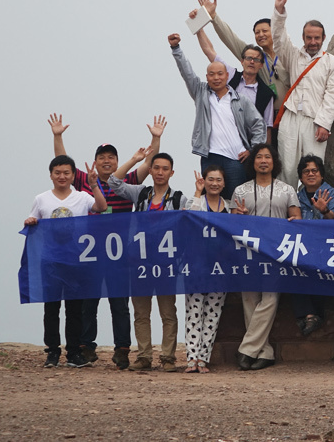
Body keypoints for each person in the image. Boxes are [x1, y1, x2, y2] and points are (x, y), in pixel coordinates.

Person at [48, 113, 166, 369]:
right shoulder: (84, 181)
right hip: (89, 253)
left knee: (119, 304)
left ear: (116, 161)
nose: (106, 160)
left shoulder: (128, 182)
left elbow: (149, 163)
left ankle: (122, 349)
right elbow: (63, 164)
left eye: (111, 157)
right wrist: (58, 136)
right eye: (102, 157)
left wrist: (155, 139)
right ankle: (86, 348)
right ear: (95, 162)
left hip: (119, 253)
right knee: (88, 302)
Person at [24, 155, 108, 369]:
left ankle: (73, 352)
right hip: (50, 261)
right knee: (51, 309)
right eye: (57, 172)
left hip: (76, 261)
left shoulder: (82, 197)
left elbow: (101, 206)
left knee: (74, 309)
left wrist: (93, 185)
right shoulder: (41, 199)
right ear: (51, 175)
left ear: (73, 176)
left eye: (66, 173)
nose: (62, 176)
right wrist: (30, 221)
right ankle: (52, 351)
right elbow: (32, 219)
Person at [107, 151, 184, 372]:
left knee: (168, 313)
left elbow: (194, 216)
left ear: (172, 172)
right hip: (139, 263)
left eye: (165, 169)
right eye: (156, 168)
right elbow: (114, 182)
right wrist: (135, 160)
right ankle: (144, 357)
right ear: (150, 171)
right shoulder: (141, 194)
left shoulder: (179, 199)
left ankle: (168, 358)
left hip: (166, 265)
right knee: (141, 313)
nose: (160, 172)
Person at [169, 32, 266, 199]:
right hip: (210, 156)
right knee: (211, 201)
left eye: (220, 74)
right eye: (212, 74)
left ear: (227, 76)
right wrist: (176, 48)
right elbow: (187, 73)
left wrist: (252, 149)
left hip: (236, 160)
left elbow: (259, 125)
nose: (216, 78)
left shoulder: (240, 99)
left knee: (236, 201)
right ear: (207, 77)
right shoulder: (201, 93)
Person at [232, 144, 301, 370]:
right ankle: (265, 352)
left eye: (267, 157)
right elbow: (232, 221)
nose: (263, 160)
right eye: (259, 157)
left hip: (276, 252)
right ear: (253, 162)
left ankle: (247, 349)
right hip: (249, 252)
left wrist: (294, 222)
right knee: (249, 301)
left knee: (270, 299)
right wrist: (238, 216)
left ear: (274, 162)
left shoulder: (287, 189)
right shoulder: (240, 190)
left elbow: (297, 217)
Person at [271, 0, 334, 187]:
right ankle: (288, 210)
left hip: (315, 120)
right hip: (291, 116)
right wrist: (279, 11)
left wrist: (324, 124)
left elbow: (332, 94)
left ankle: (314, 212)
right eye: (309, 38)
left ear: (323, 38)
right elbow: (278, 39)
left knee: (314, 169)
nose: (313, 42)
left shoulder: (331, 61)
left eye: (317, 38)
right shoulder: (293, 55)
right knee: (286, 167)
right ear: (303, 37)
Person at [197, 0, 290, 121]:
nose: (260, 34)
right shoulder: (256, 58)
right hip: (265, 116)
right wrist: (213, 17)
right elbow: (230, 39)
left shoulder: (288, 56)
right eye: (257, 32)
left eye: (264, 31)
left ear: (274, 32)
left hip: (289, 116)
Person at [188, 8, 276, 141]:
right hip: (223, 139)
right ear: (242, 61)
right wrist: (198, 26)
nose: (251, 62)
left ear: (261, 65)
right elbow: (209, 51)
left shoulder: (266, 94)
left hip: (249, 146)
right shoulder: (231, 76)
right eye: (248, 58)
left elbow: (267, 127)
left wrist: (265, 154)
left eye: (256, 59)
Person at [183, 165, 230, 374]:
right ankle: (191, 359)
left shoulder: (228, 206)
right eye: (210, 179)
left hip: (220, 268)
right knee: (194, 312)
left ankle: (203, 359)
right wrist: (197, 192)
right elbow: (188, 222)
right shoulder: (196, 202)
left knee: (213, 314)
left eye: (218, 180)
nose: (214, 183)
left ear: (224, 184)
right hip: (196, 266)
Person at [292, 154, 334, 335]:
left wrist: (324, 210)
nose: (310, 174)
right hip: (303, 247)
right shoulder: (296, 197)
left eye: (314, 170)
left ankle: (312, 315)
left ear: (321, 174)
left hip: (327, 247)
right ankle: (309, 315)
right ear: (301, 176)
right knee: (293, 268)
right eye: (306, 171)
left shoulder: (332, 193)